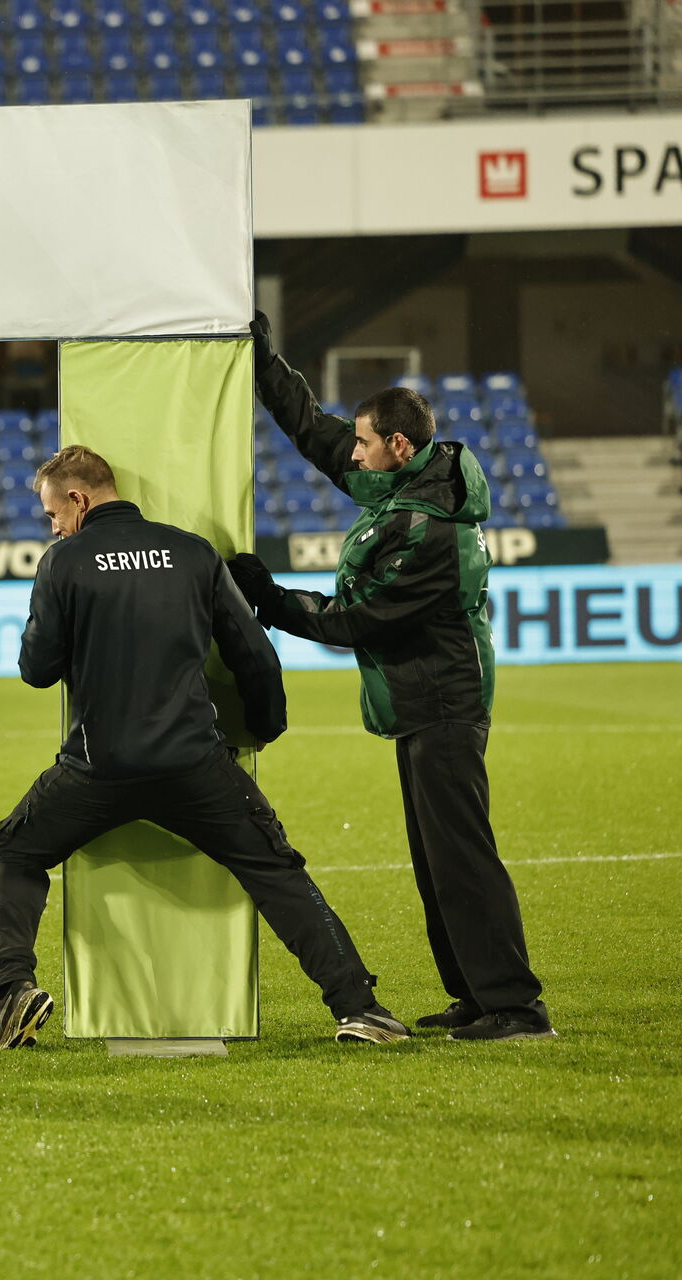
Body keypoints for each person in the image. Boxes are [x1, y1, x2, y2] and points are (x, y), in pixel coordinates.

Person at [0, 445, 408, 1049]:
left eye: (52, 513)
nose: (51, 526)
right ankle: (361, 1009)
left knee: (15, 855)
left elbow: (37, 669)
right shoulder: (191, 552)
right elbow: (254, 654)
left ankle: (12, 992)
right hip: (194, 763)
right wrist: (265, 726)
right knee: (276, 872)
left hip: (98, 767)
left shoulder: (64, 561)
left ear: (78, 500)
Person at [227, 313, 552, 1042]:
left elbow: (356, 621)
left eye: (367, 442)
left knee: (462, 856)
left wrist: (272, 600)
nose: (357, 451)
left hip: (444, 704)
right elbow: (317, 433)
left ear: (398, 446)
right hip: (419, 703)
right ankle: (476, 995)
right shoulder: (406, 488)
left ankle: (517, 1007)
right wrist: (264, 363)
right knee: (439, 858)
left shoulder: (428, 530)